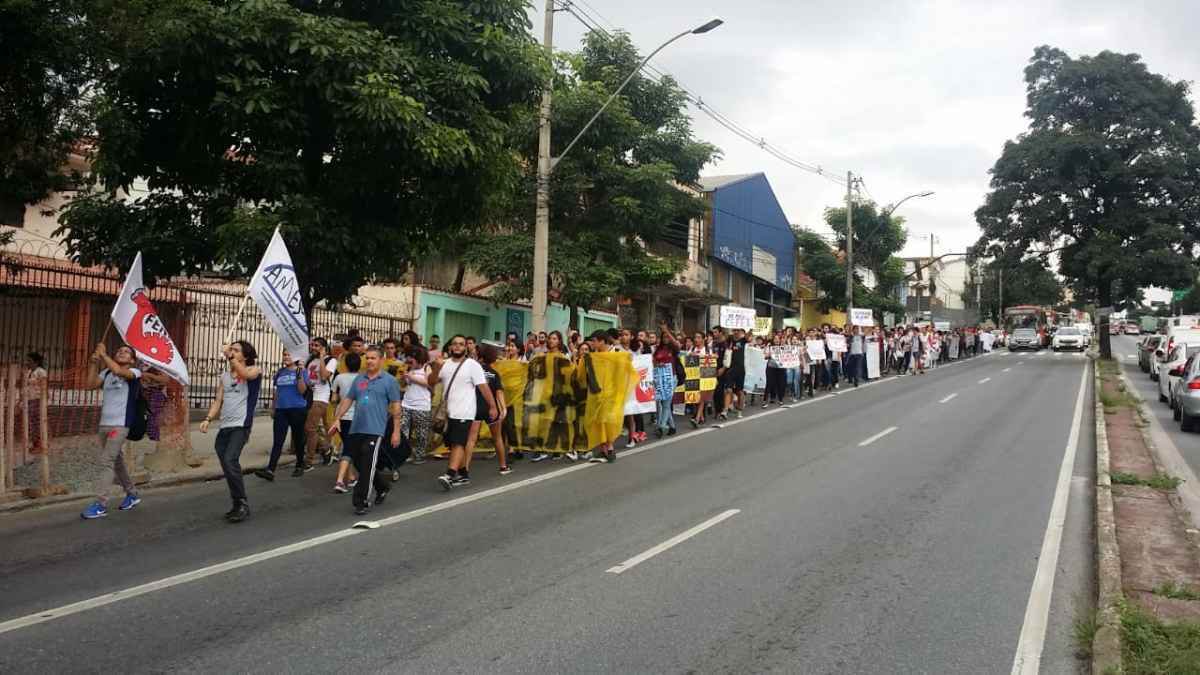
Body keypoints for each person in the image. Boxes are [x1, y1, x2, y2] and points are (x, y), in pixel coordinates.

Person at [327, 346, 403, 516]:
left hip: (375, 429)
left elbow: (396, 406)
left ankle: (361, 501)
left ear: (381, 360)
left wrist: (396, 431)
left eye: (373, 358)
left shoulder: (389, 381)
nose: (369, 361)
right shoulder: (360, 379)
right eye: (367, 358)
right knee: (360, 464)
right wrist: (337, 418)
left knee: (368, 464)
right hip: (356, 428)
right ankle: (382, 487)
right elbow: (348, 399)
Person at [79, 344, 143, 520]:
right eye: (119, 350)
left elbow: (119, 371)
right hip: (104, 424)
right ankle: (132, 494)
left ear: (132, 360)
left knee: (106, 461)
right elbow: (90, 385)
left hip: (120, 425)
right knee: (116, 461)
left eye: (126, 352)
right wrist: (93, 363)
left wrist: (104, 355)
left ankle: (101, 504)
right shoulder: (106, 373)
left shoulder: (135, 373)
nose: (121, 352)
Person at [200, 341, 262, 523]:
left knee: (230, 459)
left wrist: (229, 356)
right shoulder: (225, 376)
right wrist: (208, 419)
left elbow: (244, 374)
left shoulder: (254, 370)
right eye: (231, 349)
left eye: (236, 350)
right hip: (225, 425)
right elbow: (218, 400)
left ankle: (242, 503)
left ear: (245, 356)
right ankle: (237, 502)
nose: (232, 352)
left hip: (241, 424)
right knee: (227, 465)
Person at [430, 335, 498, 490]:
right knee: (452, 443)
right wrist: (436, 368)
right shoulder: (444, 364)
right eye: (455, 344)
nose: (458, 346)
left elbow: (484, 388)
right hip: (449, 413)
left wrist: (492, 407)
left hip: (465, 412)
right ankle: (463, 474)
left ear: (466, 348)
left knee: (458, 443)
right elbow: (431, 382)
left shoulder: (472, 365)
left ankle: (450, 474)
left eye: (461, 344)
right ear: (450, 347)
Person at [255, 349, 308, 481]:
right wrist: (273, 408)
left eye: (289, 354)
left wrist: (300, 374)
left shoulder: (302, 371)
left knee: (298, 438)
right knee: (278, 440)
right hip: (281, 410)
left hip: (297, 409)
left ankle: (300, 464)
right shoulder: (280, 372)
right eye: (284, 354)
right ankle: (270, 470)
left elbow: (302, 391)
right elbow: (276, 392)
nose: (286, 357)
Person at [462, 344, 511, 475]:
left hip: (475, 408)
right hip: (491, 408)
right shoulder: (495, 374)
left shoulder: (472, 371)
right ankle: (503, 466)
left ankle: (465, 469)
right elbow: (499, 393)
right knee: (497, 438)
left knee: (471, 439)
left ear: (480, 356)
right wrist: (503, 409)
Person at [302, 338, 338, 471]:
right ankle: (326, 449)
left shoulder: (331, 360)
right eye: (312, 345)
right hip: (308, 397)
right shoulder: (310, 360)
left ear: (324, 347)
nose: (313, 348)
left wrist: (322, 357)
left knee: (310, 429)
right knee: (312, 429)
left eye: (317, 345)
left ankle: (309, 461)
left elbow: (324, 376)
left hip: (320, 398)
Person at [330, 352, 362, 493]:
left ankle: (351, 477)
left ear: (345, 364)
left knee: (349, 446)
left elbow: (333, 398)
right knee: (350, 448)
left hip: (340, 417)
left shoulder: (339, 377)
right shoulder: (363, 379)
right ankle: (340, 481)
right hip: (357, 416)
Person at [584, 330, 617, 463]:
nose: (592, 343)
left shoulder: (615, 353)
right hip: (596, 392)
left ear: (602, 341)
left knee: (606, 421)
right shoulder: (594, 356)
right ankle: (604, 449)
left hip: (609, 393)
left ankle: (609, 448)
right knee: (599, 421)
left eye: (594, 341)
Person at [401, 347, 434, 465]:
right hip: (406, 403)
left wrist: (411, 377)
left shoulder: (427, 368)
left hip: (422, 405)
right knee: (402, 431)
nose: (409, 360)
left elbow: (429, 383)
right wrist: (404, 378)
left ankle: (419, 455)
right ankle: (405, 453)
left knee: (421, 433)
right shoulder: (410, 368)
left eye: (412, 358)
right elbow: (405, 384)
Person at [652, 325, 681, 437]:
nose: (666, 339)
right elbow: (653, 362)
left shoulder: (673, 349)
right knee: (663, 403)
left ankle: (662, 426)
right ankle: (672, 427)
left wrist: (666, 330)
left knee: (666, 403)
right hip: (660, 379)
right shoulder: (658, 349)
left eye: (668, 337)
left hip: (671, 378)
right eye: (664, 337)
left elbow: (677, 345)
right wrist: (658, 364)